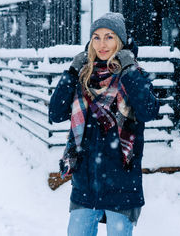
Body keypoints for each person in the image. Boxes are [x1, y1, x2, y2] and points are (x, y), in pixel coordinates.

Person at [49, 12, 160, 236]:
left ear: (120, 40)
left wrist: (129, 71)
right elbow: (56, 112)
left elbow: (148, 111)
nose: (102, 44)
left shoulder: (135, 76)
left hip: (122, 185)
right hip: (85, 185)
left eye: (109, 37)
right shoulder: (83, 77)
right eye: (96, 37)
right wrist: (71, 72)